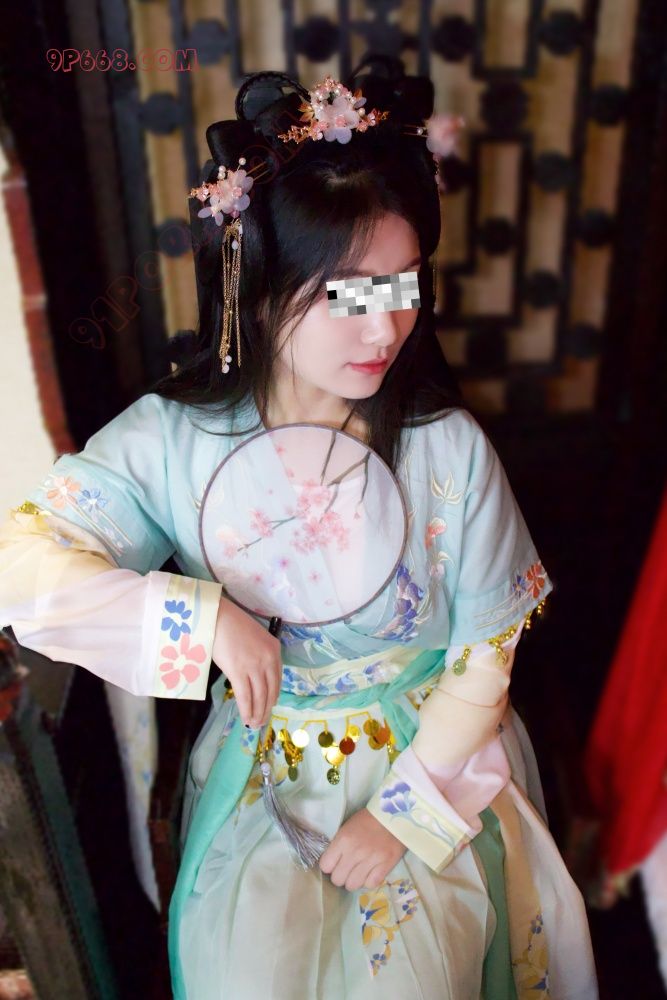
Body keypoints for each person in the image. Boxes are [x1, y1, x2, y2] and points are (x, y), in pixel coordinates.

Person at [0, 59, 598, 999]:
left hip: (434, 756)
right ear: (254, 280)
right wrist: (201, 618)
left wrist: (401, 817)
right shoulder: (175, 440)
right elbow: (22, 564)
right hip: (263, 768)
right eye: (343, 293)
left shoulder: (443, 446)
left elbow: (485, 656)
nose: (383, 328)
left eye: (403, 285)